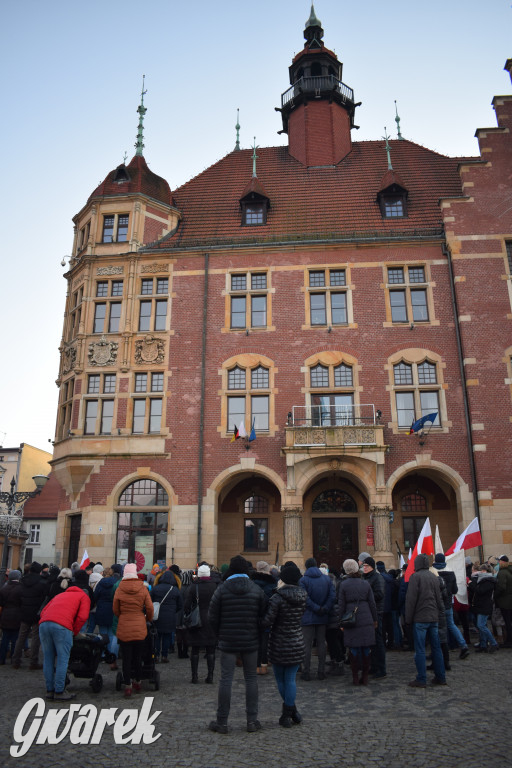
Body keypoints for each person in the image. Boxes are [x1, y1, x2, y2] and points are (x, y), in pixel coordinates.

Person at [207, 555, 267, 734]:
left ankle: (222, 722)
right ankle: (252, 720)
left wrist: (220, 634)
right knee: (251, 679)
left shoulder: (222, 589)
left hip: (228, 640)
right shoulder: (256, 589)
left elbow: (212, 616)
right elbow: (263, 616)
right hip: (250, 640)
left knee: (226, 679)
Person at [262, 562, 307, 726]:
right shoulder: (303, 595)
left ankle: (287, 714)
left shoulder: (277, 598)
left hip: (279, 642)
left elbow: (267, 621)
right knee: (290, 679)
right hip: (296, 640)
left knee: (282, 680)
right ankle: (292, 711)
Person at [38, 577, 91, 700]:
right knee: (63, 658)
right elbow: (83, 617)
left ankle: (49, 689)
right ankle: (59, 691)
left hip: (44, 623)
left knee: (48, 658)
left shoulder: (60, 595)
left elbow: (43, 611)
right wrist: (74, 631)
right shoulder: (83, 597)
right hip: (62, 626)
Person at [405, 553, 446, 688]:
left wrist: (408, 619)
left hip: (420, 618)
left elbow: (411, 601)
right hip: (433, 617)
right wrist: (441, 615)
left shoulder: (415, 577)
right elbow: (439, 599)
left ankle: (421, 678)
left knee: (420, 649)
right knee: (436, 648)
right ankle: (440, 676)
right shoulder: (434, 577)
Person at [113, 562, 154, 697]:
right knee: (138, 656)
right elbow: (149, 607)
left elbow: (115, 609)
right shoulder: (142, 588)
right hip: (139, 624)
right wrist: (147, 618)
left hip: (125, 624)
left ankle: (128, 685)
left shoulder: (120, 588)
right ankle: (137, 681)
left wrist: (122, 616)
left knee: (126, 658)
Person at [338, 558, 377, 685]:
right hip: (366, 617)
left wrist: (341, 621)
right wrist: (374, 619)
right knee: (366, 648)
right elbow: (372, 603)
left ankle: (355, 676)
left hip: (351, 618)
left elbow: (341, 605)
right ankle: (365, 676)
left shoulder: (343, 584)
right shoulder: (365, 583)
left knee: (353, 648)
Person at [299, 557, 335, 681]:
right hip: (322, 615)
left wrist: (315, 608)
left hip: (308, 615)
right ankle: (321, 671)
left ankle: (306, 671)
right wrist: (324, 608)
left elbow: (304, 597)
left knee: (307, 644)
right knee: (321, 643)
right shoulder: (327, 579)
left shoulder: (303, 580)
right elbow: (332, 596)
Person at [184, 563, 217, 683]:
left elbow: (186, 606)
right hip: (211, 620)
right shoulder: (215, 586)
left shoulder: (194, 587)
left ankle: (194, 676)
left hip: (197, 620)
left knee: (195, 649)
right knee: (211, 649)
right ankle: (210, 676)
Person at [432, 553, 470, 659]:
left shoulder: (432, 572)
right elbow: (455, 590)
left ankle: (436, 650)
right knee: (451, 625)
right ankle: (463, 645)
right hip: (448, 604)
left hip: (436, 605)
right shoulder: (451, 573)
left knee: (435, 627)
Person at [11, 561, 48, 670]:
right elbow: (44, 597)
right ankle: (33, 661)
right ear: (39, 571)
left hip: (24, 611)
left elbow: (19, 595)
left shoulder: (23, 581)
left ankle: (16, 660)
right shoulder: (42, 582)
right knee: (36, 638)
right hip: (36, 612)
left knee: (21, 636)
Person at [362, 556, 387, 678]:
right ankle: (374, 665)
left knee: (378, 641)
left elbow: (380, 594)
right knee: (371, 641)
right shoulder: (366, 577)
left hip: (377, 612)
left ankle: (381, 668)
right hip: (368, 612)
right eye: (364, 566)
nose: (364, 568)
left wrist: (366, 595)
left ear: (372, 567)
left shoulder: (378, 578)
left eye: (366, 566)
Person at [151, 567, 182, 663]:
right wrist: (173, 611)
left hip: (157, 616)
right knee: (167, 637)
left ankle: (156, 655)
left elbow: (149, 601)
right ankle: (164, 655)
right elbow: (180, 605)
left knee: (157, 637)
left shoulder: (155, 588)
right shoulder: (175, 590)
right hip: (170, 616)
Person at [251, 561, 277, 675]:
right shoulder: (272, 583)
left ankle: (256, 665)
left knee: (256, 640)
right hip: (267, 614)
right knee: (265, 640)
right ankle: (264, 664)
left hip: (254, 614)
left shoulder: (251, 583)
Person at [94, 564, 122, 667]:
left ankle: (102, 654)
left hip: (101, 609)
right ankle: (111, 655)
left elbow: (95, 596)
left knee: (102, 634)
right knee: (112, 633)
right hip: (112, 610)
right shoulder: (116, 583)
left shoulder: (100, 583)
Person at [469, 563, 499, 652]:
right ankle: (483, 645)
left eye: (482, 570)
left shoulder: (488, 581)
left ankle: (493, 643)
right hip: (482, 605)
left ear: (485, 571)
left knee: (481, 625)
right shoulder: (486, 580)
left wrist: (471, 585)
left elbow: (480, 591)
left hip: (484, 605)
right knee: (482, 625)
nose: (480, 572)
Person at [0, 570, 23, 664]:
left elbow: (1, 603)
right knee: (15, 638)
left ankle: (1, 658)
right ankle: (14, 658)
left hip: (5, 614)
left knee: (5, 637)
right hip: (17, 614)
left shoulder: (3, 589)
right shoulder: (21, 588)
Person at [495, 555, 512, 647]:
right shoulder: (509, 571)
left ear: (502, 562)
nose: (498, 562)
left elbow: (501, 587)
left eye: (499, 561)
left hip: (504, 601)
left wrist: (495, 595)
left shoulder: (502, 573)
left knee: (507, 621)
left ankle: (509, 641)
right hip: (509, 600)